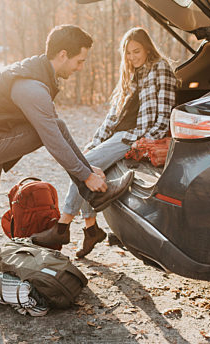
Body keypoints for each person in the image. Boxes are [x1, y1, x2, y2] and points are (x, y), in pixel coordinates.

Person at [0, 25, 133, 310]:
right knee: (50, 128)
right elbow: (53, 139)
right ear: (62, 54)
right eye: (80, 60)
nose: (81, 67)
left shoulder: (36, 74)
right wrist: (85, 174)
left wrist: (86, 168)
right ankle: (91, 189)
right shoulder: (31, 86)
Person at [32, 27, 176, 258]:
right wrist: (94, 142)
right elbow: (112, 118)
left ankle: (63, 225)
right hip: (117, 136)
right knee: (86, 163)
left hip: (132, 137)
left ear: (148, 47)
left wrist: (146, 142)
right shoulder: (130, 74)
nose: (132, 57)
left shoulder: (160, 69)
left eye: (136, 51)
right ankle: (91, 229)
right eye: (127, 53)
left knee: (83, 167)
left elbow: (164, 113)